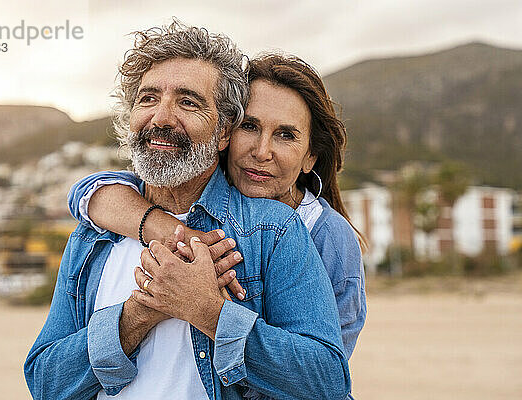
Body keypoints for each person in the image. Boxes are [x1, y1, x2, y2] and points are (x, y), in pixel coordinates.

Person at [24, 21, 350, 400]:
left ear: (224, 132)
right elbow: (45, 382)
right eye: (147, 99)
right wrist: (137, 315)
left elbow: (326, 381)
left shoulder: (272, 231)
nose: (161, 118)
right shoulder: (94, 234)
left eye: (188, 101)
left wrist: (207, 310)